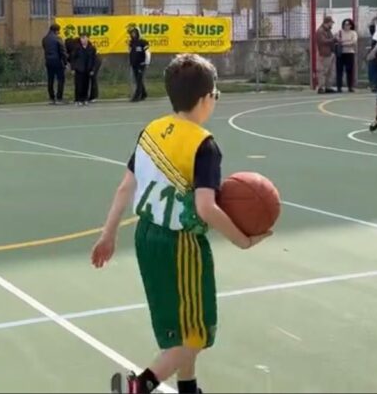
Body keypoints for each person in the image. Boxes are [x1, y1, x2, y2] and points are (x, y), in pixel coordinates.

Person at [91, 54, 269, 394]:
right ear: (205, 98)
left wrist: (108, 234)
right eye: (215, 95)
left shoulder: (152, 131)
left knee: (181, 325)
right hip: (180, 244)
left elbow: (125, 186)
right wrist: (242, 240)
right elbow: (205, 208)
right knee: (197, 333)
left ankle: (188, 388)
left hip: (146, 236)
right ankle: (137, 388)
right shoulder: (204, 145)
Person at [42, 24, 67, 105]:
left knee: (50, 79)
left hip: (48, 61)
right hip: (57, 61)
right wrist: (65, 61)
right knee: (61, 79)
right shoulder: (57, 39)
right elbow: (62, 51)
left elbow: (45, 49)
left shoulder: (45, 39)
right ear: (57, 30)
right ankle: (59, 98)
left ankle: (51, 98)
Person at [71, 33, 97, 106]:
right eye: (82, 38)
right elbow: (73, 58)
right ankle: (78, 99)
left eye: (84, 38)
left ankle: (85, 99)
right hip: (79, 69)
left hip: (87, 69)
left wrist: (92, 69)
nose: (83, 40)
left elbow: (94, 59)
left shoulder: (92, 48)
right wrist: (73, 68)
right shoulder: (77, 48)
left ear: (88, 38)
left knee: (86, 85)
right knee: (78, 85)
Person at [315, 16, 336, 94]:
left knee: (331, 71)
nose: (332, 24)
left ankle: (328, 87)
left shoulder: (328, 31)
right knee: (323, 70)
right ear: (327, 22)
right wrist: (333, 40)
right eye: (331, 23)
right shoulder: (320, 31)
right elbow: (322, 41)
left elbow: (330, 39)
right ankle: (321, 87)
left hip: (331, 52)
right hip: (324, 53)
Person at [335, 18, 358, 93]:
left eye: (348, 24)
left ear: (351, 25)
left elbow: (353, 42)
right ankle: (339, 87)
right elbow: (338, 41)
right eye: (345, 24)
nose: (346, 26)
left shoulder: (353, 33)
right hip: (341, 53)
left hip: (350, 53)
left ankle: (350, 87)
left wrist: (343, 43)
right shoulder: (339, 32)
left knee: (349, 70)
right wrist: (347, 42)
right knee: (339, 70)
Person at [128, 27, 150, 102]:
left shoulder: (143, 42)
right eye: (131, 33)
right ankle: (144, 94)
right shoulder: (131, 43)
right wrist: (131, 62)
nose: (133, 35)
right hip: (134, 64)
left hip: (141, 64)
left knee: (139, 80)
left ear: (138, 33)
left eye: (134, 33)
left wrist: (147, 62)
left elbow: (147, 53)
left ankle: (137, 96)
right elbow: (130, 52)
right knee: (138, 80)